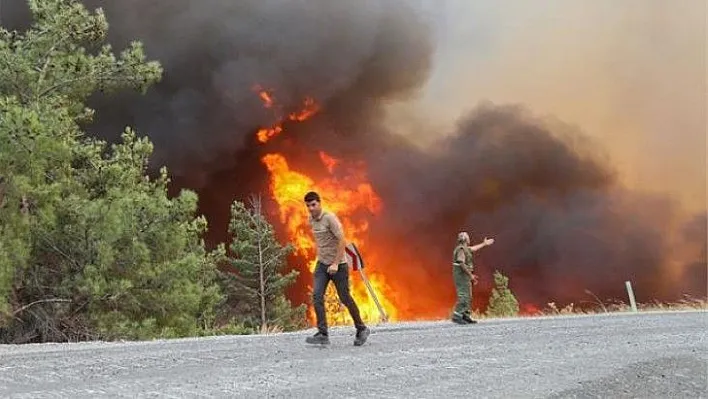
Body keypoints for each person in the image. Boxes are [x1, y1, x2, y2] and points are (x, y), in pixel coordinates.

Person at [303, 191, 370, 346]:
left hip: (338, 265)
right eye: (308, 206)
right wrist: (321, 258)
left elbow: (342, 240)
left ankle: (361, 328)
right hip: (322, 265)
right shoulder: (311, 220)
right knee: (317, 296)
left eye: (313, 205)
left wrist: (335, 263)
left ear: (319, 203)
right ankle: (323, 334)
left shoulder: (330, 219)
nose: (311, 208)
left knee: (345, 297)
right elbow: (321, 241)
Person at [451, 231, 494, 324]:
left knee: (468, 296)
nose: (469, 239)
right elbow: (461, 263)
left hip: (465, 276)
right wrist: (470, 275)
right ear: (466, 239)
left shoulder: (465, 248)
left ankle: (465, 315)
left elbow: (473, 249)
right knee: (463, 296)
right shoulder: (461, 249)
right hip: (461, 276)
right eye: (468, 237)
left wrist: (484, 244)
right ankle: (457, 315)